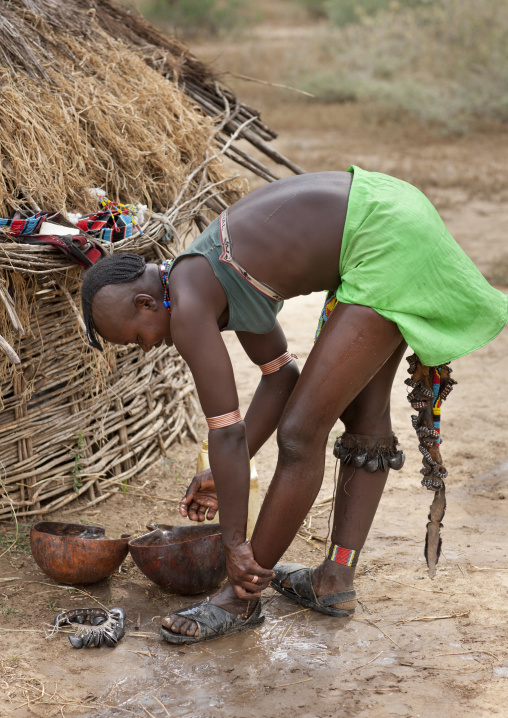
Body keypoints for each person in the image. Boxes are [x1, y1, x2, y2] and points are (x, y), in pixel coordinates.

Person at [81, 166, 507, 644]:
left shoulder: (187, 305)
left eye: (136, 338)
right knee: (363, 417)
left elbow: (227, 430)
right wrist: (225, 473)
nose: (145, 347)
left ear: (144, 302)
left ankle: (240, 600)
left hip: (384, 241)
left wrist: (235, 544)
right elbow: (281, 375)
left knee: (301, 433)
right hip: (390, 213)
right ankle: (334, 581)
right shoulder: (206, 275)